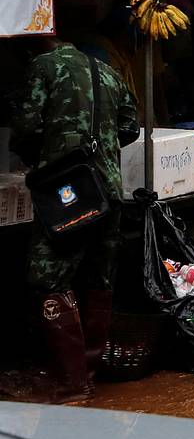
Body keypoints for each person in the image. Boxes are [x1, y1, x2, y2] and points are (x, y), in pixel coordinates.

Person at [8, 36, 139, 403]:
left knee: (46, 276)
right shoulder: (107, 71)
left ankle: (73, 384)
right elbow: (131, 125)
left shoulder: (42, 67)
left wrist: (51, 153)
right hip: (109, 189)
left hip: (69, 191)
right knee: (98, 275)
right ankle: (89, 374)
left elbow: (26, 128)